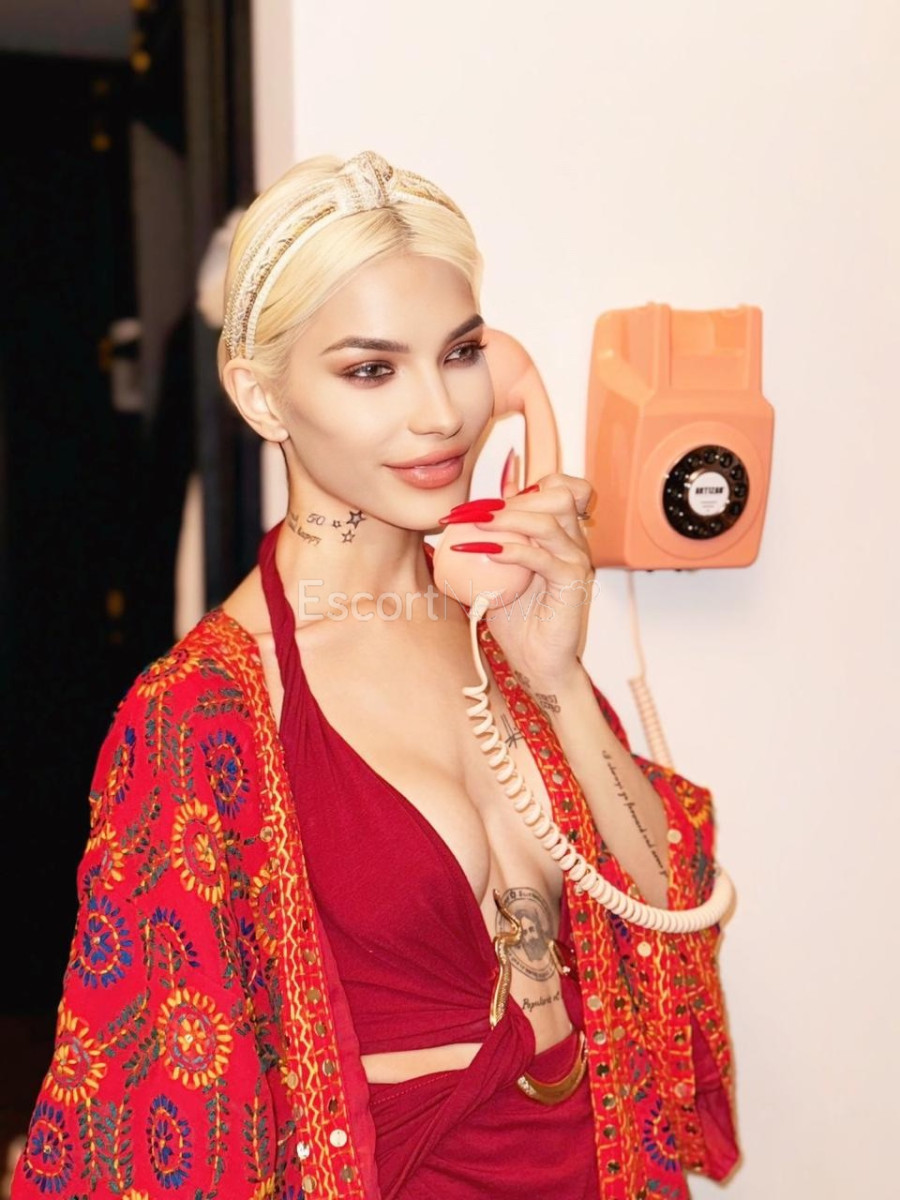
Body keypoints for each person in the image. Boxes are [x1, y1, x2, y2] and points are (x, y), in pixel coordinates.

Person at [12, 151, 739, 1199]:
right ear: (261, 396)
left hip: (599, 1167)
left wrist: (558, 679)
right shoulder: (205, 712)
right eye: (371, 370)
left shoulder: (504, 627)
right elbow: (154, 1107)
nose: (441, 414)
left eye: (461, 354)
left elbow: (673, 917)